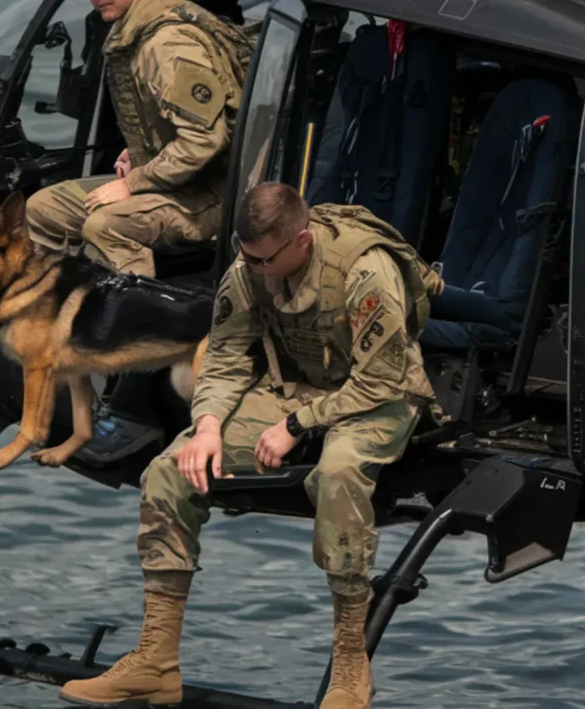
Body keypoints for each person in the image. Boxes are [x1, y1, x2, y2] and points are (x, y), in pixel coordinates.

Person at [59, 182, 442, 709]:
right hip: (299, 386)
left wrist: (296, 424)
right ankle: (155, 661)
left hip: (379, 394)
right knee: (169, 471)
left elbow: (381, 379)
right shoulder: (249, 268)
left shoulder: (365, 270)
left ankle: (352, 665)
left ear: (301, 242)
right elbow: (228, 354)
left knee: (338, 476)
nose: (254, 268)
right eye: (247, 255)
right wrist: (210, 423)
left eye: (265, 259)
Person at [26, 0, 255, 463]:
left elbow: (205, 143)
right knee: (44, 208)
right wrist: (143, 160)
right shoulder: (136, 26)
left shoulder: (166, 42)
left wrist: (133, 182)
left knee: (107, 224)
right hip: (173, 178)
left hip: (215, 196)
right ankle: (69, 342)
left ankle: (133, 379)